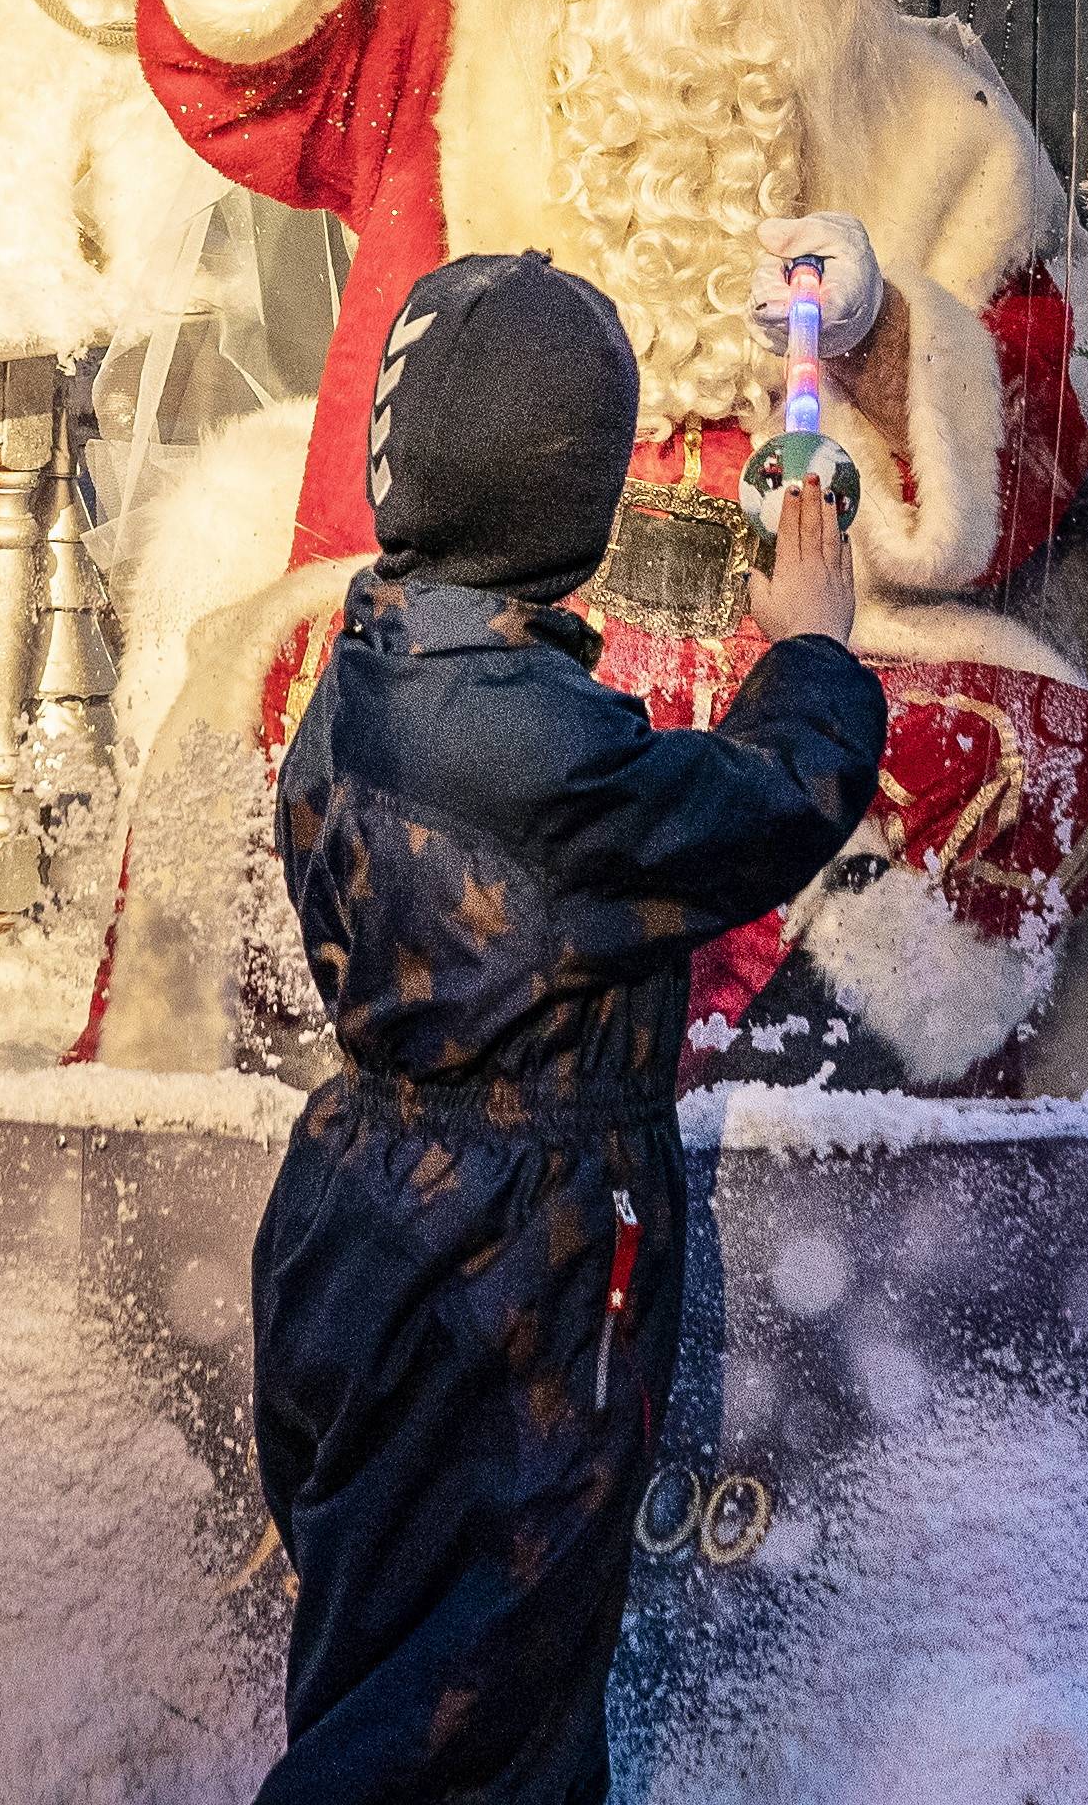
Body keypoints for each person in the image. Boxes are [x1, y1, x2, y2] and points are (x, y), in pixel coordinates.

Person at [141, 0, 1088, 1090]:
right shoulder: (464, 31)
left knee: (1039, 765)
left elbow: (1023, 459)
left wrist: (889, 334)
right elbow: (246, 67)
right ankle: (478, 1066)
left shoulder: (937, 129)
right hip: (485, 608)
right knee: (344, 727)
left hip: (810, 628)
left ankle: (808, 1125)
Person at [250, 249, 887, 1805]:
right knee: (466, 1725)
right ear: (576, 507)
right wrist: (809, 646)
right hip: (509, 1274)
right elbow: (764, 805)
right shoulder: (536, 755)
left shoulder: (380, 653)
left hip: (356, 1217)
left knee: (392, 1662)